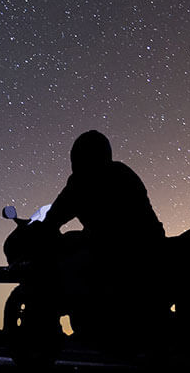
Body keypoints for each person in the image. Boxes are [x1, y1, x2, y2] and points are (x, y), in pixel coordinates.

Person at [43, 130, 168, 347]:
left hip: (118, 246)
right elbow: (59, 213)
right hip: (147, 240)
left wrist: (46, 227)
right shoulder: (121, 172)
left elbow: (57, 215)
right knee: (80, 247)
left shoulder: (82, 182)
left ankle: (91, 320)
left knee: (72, 261)